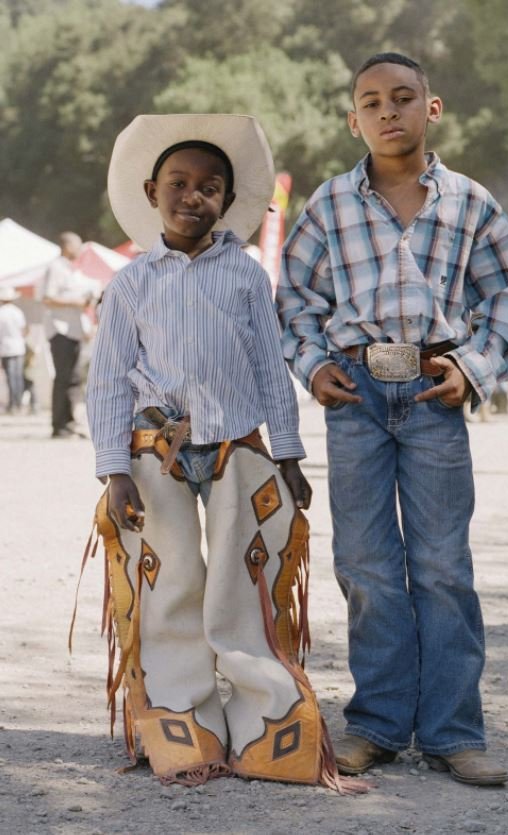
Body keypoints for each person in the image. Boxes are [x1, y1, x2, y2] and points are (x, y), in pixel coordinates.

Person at [277, 52, 508, 787]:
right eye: (370, 102)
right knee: (363, 562)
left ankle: (455, 731)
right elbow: (295, 295)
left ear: (433, 108)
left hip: (431, 391)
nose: (387, 112)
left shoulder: (469, 202)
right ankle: (379, 723)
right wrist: (313, 364)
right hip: (355, 393)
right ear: (351, 118)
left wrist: (473, 367)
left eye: (402, 98)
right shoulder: (328, 204)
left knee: (443, 564)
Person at [82, 113, 356, 791]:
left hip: (237, 446)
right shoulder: (130, 283)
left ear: (228, 202)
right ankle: (182, 723)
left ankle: (263, 727)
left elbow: (269, 365)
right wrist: (114, 469)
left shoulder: (245, 276)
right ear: (152, 192)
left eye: (210, 186)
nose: (192, 195)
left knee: (243, 581)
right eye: (178, 182)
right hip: (155, 451)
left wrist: (288, 457)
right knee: (171, 582)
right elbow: (109, 378)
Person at [42, 231, 93, 437]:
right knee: (64, 377)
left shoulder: (70, 270)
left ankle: (70, 421)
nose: (80, 251)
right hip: (60, 329)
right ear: (67, 246)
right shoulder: (56, 268)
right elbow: (48, 298)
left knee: (74, 377)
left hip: (73, 329)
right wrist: (78, 302)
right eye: (78, 246)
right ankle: (60, 425)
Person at [0, 287, 27, 414]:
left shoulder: (1, 313)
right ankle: (18, 403)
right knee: (18, 377)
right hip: (19, 347)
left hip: (6, 348)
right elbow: (24, 330)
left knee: (11, 378)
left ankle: (13, 404)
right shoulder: (18, 312)